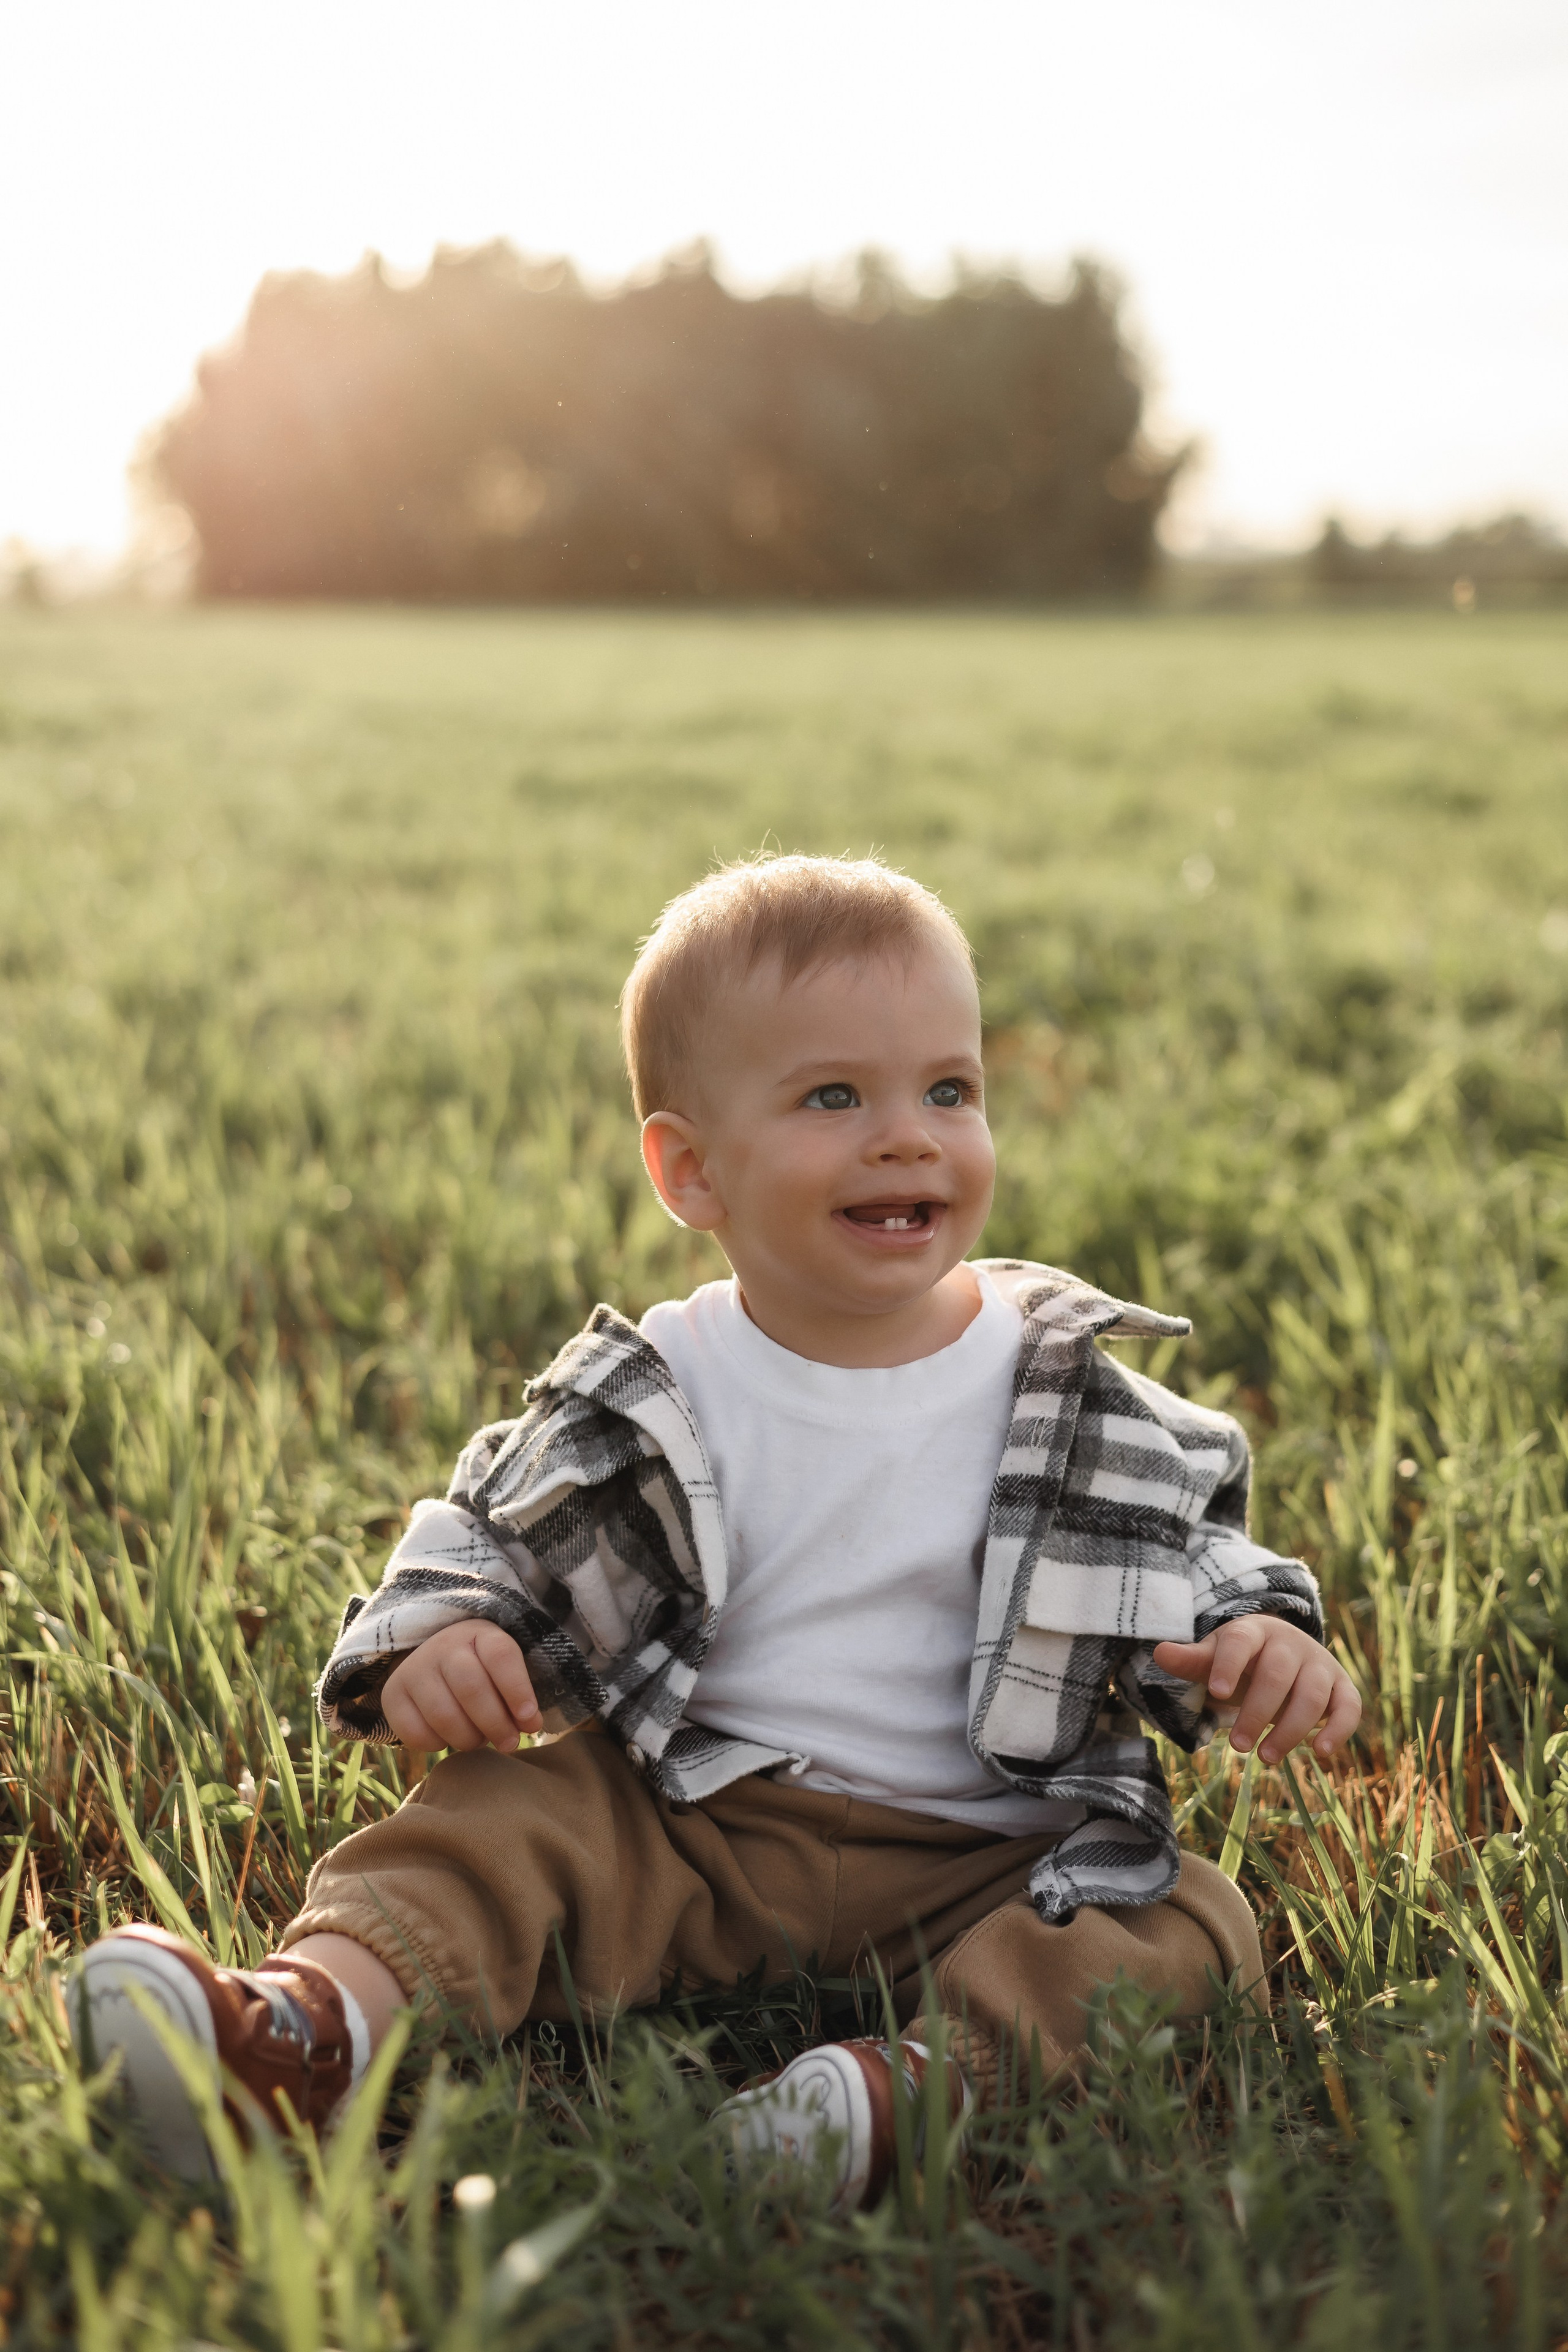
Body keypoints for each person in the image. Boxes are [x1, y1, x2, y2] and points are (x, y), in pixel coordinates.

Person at [75, 854, 1359, 2201]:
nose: (907, 1135)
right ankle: (302, 2032)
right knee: (504, 1813)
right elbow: (490, 1530)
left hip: (989, 1856)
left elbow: (1189, 1545)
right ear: (690, 1171)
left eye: (947, 1090)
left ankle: (903, 2095)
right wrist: (440, 1634)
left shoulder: (1064, 1384)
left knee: (1184, 1921)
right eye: (830, 1097)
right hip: (691, 1819)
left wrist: (1256, 1634)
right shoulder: (656, 1389)